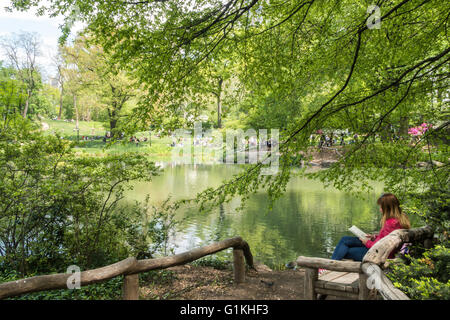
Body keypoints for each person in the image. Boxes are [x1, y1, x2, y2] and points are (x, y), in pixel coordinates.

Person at [329, 193, 411, 263]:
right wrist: (373, 237)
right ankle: (330, 264)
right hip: (379, 249)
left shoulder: (391, 223)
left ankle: (328, 266)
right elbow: (386, 238)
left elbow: (381, 247)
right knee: (345, 240)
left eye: (381, 207)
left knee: (344, 251)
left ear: (388, 208)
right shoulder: (400, 219)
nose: (380, 210)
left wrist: (367, 242)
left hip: (378, 254)